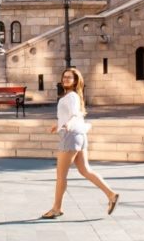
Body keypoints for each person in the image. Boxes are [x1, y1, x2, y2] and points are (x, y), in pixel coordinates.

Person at [41, 67, 119, 219]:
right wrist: (58, 125)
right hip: (79, 135)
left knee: (61, 175)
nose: (66, 79)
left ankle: (56, 208)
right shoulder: (74, 96)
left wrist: (68, 123)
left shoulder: (71, 96)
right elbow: (73, 114)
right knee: (85, 170)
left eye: (69, 77)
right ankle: (111, 194)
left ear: (76, 81)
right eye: (64, 77)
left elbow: (74, 114)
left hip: (70, 136)